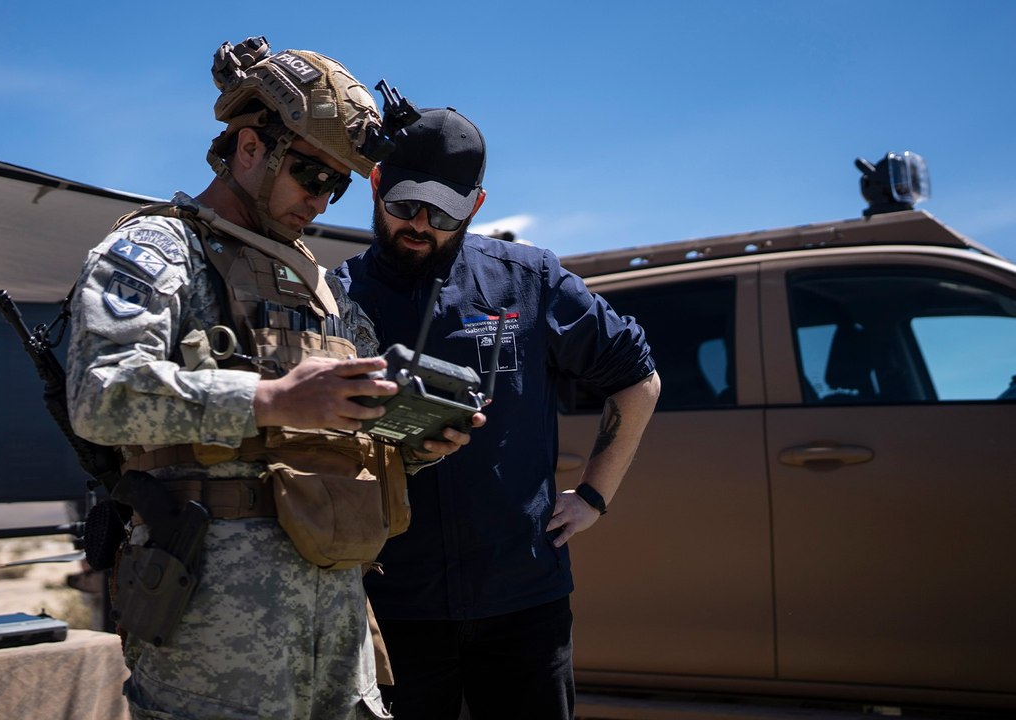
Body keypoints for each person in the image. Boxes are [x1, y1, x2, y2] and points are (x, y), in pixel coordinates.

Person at [64, 39, 473, 720]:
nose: (322, 200)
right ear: (250, 148)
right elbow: (100, 395)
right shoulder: (161, 252)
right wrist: (271, 399)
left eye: (338, 185)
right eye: (311, 175)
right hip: (214, 634)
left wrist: (416, 443)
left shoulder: (325, 290)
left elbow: (355, 434)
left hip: (335, 627)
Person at [336, 108, 662, 720]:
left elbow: (637, 381)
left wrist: (595, 496)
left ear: (476, 206)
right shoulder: (335, 298)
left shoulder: (528, 281)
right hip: (392, 605)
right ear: (376, 184)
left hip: (523, 600)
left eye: (444, 213)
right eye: (405, 204)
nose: (421, 224)